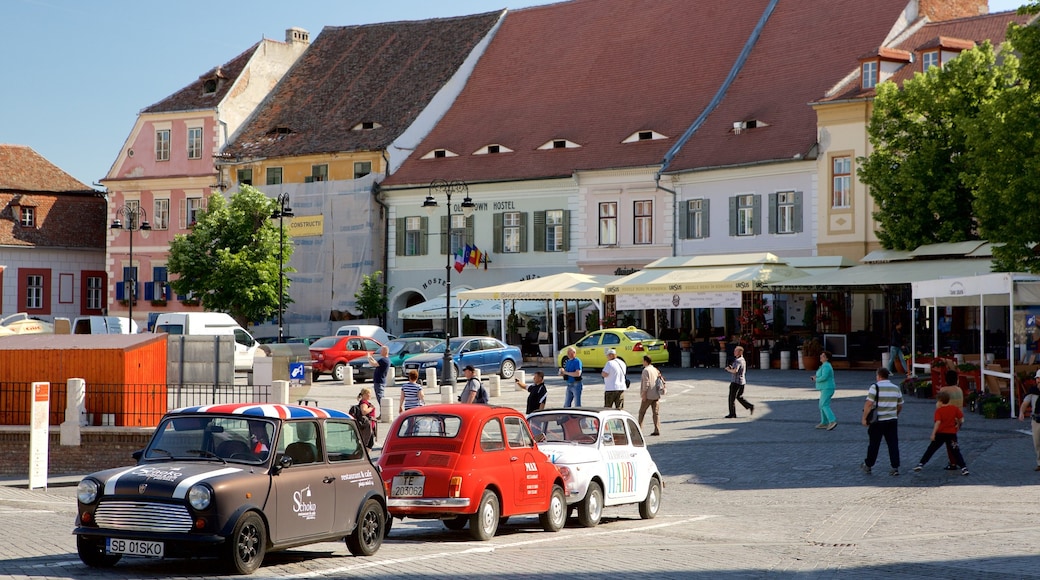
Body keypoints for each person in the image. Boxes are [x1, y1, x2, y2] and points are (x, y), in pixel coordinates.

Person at [913, 389, 969, 475]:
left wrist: (933, 433)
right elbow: (961, 419)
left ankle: (921, 464)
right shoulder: (954, 409)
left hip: (940, 433)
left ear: (940, 401)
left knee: (931, 449)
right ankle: (964, 468)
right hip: (951, 434)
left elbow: (938, 422)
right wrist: (958, 425)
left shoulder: (939, 411)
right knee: (956, 451)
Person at [861, 367, 903, 476]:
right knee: (893, 444)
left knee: (874, 444)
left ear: (879, 376)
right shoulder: (896, 388)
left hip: (878, 421)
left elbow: (869, 404)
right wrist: (895, 414)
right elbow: (900, 404)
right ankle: (895, 467)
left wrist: (864, 418)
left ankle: (868, 465)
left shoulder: (874, 387)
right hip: (892, 420)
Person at [1017, 369, 1040, 471]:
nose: (1038, 381)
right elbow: (1025, 403)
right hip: (1036, 420)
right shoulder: (1033, 391)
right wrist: (1021, 412)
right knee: (1037, 443)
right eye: (1037, 379)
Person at [724, 345, 754, 418]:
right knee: (739, 396)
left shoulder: (738, 360)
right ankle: (749, 406)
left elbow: (735, 371)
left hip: (735, 382)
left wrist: (728, 370)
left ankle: (732, 413)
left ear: (740, 352)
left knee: (731, 398)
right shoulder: (742, 359)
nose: (734, 352)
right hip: (742, 381)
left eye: (736, 351)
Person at [809, 350, 837, 430]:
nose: (821, 357)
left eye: (823, 356)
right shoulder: (824, 366)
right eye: (821, 355)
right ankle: (824, 422)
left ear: (827, 358)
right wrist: (815, 377)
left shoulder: (826, 366)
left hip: (827, 388)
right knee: (821, 405)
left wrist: (816, 379)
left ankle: (832, 421)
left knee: (824, 405)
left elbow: (824, 377)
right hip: (824, 388)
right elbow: (822, 375)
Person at [638, 355, 662, 436]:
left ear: (645, 361)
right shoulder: (655, 369)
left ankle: (639, 429)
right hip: (656, 394)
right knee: (655, 413)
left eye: (642, 360)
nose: (642, 362)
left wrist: (644, 394)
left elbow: (646, 383)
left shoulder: (645, 370)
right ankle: (657, 429)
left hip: (648, 394)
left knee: (641, 412)